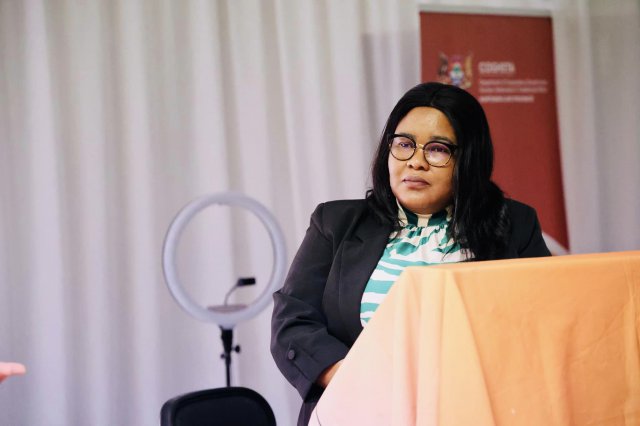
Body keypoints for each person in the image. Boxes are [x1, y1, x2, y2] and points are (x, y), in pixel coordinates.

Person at [271, 82, 550, 425]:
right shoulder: (335, 222)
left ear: (469, 158)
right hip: (356, 411)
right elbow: (293, 320)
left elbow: (541, 328)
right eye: (404, 144)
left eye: (437, 149)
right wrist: (352, 377)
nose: (416, 162)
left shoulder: (515, 225)